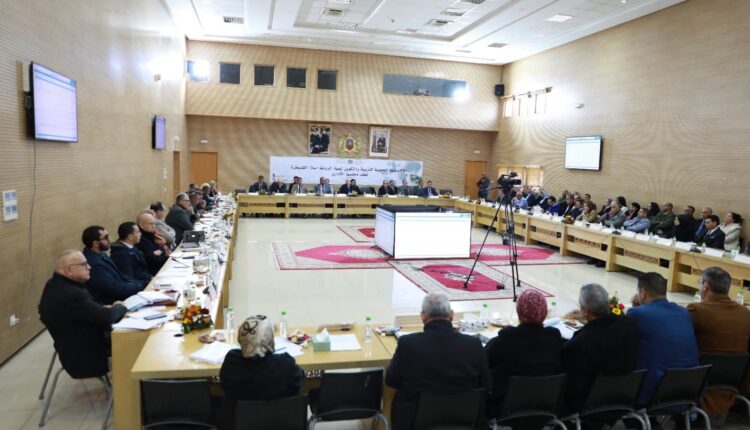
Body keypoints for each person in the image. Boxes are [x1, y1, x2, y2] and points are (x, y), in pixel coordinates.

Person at [386, 293, 490, 429]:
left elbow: (391, 380)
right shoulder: (473, 345)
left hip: (415, 422)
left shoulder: (408, 344)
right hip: (463, 421)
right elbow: (486, 384)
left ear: (423, 316)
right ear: (451, 315)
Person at [38, 250, 128, 378]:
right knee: (132, 341)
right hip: (85, 354)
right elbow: (107, 317)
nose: (89, 267)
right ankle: (129, 385)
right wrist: (120, 306)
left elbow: (87, 310)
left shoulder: (55, 284)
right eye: (84, 264)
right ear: (69, 270)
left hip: (71, 346)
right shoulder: (71, 294)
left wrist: (103, 309)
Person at [485, 290, 562, 418]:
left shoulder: (505, 340)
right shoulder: (554, 339)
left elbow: (483, 363)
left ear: (519, 312)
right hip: (545, 409)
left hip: (505, 410)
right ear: (544, 313)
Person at [562, 284, 638, 413]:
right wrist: (587, 318)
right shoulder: (629, 324)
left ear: (586, 310)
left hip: (588, 406)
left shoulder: (581, 342)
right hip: (623, 399)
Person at [219, 315, 305, 429]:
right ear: (269, 339)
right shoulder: (285, 364)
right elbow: (300, 380)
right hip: (281, 424)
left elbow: (223, 384)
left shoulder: (231, 361)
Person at [687, 267, 750, 416]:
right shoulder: (745, 313)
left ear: (705, 287)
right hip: (735, 379)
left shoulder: (696, 310)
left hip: (703, 377)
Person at [628, 272, 698, 405]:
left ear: (642, 293)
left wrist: (638, 309)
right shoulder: (684, 313)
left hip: (655, 391)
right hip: (688, 388)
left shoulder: (637, 313)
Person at [81, 225, 143, 304]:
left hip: (123, 294)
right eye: (106, 237)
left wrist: (138, 283)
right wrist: (139, 286)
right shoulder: (94, 264)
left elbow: (122, 277)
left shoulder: (101, 254)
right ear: (95, 243)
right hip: (114, 303)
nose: (109, 240)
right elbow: (113, 290)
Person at [109, 221, 151, 289]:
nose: (140, 234)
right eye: (138, 232)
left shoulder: (131, 247)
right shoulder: (121, 255)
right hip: (140, 288)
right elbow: (129, 279)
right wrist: (147, 283)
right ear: (130, 237)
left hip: (145, 282)